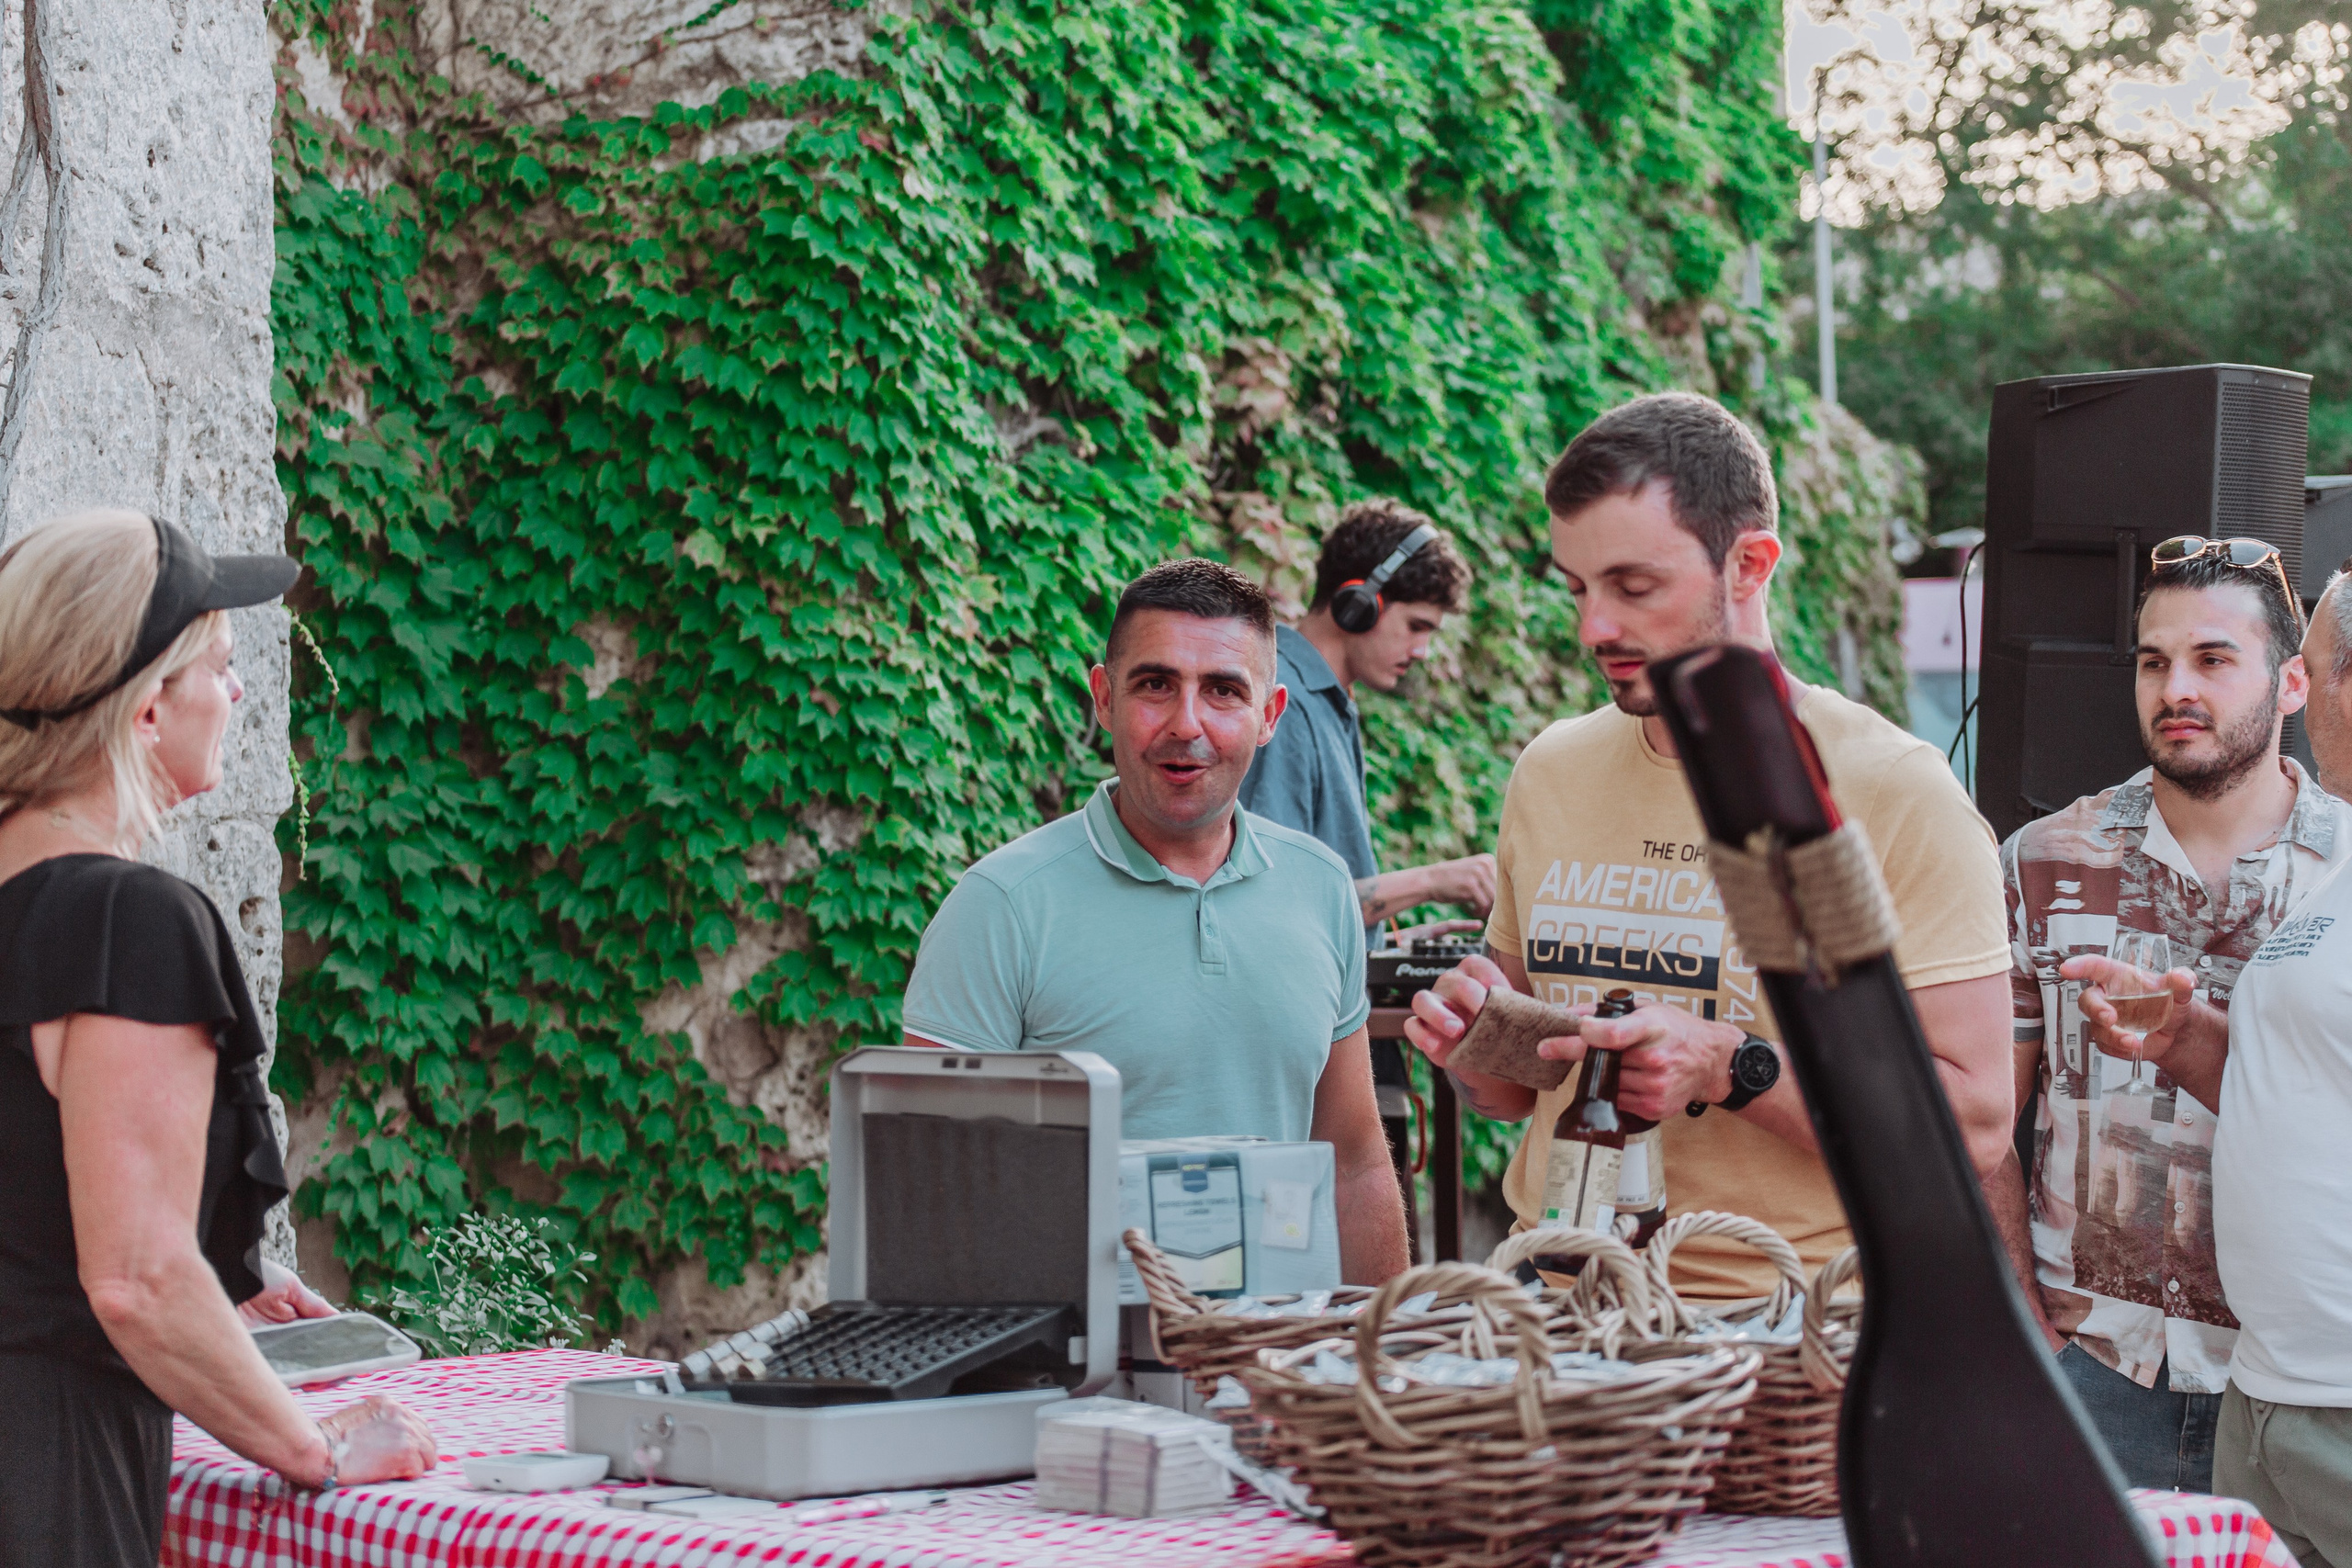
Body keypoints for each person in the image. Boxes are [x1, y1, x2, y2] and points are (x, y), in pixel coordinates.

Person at [1404, 391, 2016, 1299]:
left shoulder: (1886, 788)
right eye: (1577, 589)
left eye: (1633, 587)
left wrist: (1728, 1067)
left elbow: (1970, 1127)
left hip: (1779, 1323)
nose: (1593, 630)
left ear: (1749, 564)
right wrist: (1472, 1034)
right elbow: (1515, 1091)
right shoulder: (1553, 770)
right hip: (1558, 1300)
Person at [0, 511, 436, 1566]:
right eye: (224, 667)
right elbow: (135, 1279)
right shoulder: (125, 918)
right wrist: (317, 1447)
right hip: (43, 1470)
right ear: (149, 708)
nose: (239, 696)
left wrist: (218, 1289)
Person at [900, 558, 1409, 1283]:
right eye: (1155, 684)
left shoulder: (1321, 886)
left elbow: (1354, 1162)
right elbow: (926, 1185)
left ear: (1270, 716)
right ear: (1104, 698)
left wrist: (1380, 1358)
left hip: (1280, 1369)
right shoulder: (1001, 905)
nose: (1187, 723)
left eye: (1224, 691)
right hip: (1075, 1379)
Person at [1996, 536, 2346, 1494]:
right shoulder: (2043, 860)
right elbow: (1983, 1120)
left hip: (2300, 1394)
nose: (2173, 687)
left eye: (2211, 660)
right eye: (2153, 662)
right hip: (2089, 1365)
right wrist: (2019, 1312)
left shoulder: (2348, 870)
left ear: (2289, 686)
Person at [1237, 498, 1496, 942]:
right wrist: (1429, 882)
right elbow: (1265, 899)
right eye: (1416, 626)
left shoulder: (1326, 703)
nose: (1423, 652)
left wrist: (1389, 946)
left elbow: (1317, 901)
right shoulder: (1286, 705)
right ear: (1358, 603)